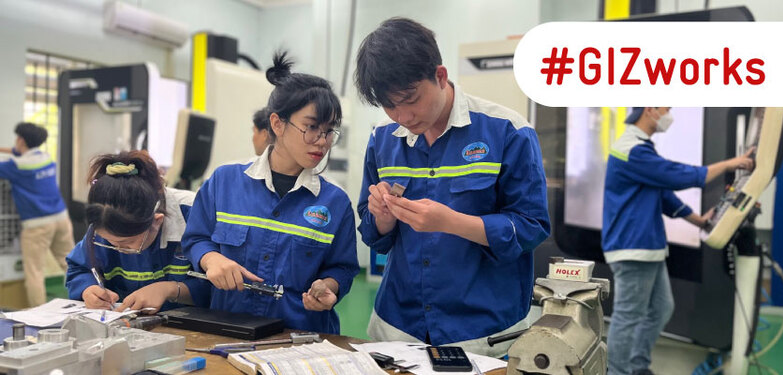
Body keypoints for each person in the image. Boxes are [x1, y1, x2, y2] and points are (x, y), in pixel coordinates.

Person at [354, 17, 551, 356]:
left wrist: (451, 223)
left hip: (480, 332)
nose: (402, 115)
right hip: (398, 326)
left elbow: (532, 226)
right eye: (389, 105)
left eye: (410, 98)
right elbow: (372, 232)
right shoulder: (382, 139)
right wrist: (382, 216)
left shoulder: (508, 131)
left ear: (440, 76)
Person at [182, 51, 359, 334]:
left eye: (329, 131)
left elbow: (344, 268)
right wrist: (211, 259)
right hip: (228, 329)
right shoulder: (224, 181)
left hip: (300, 337)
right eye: (312, 127)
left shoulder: (334, 202)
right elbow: (195, 239)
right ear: (277, 123)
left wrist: (328, 286)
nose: (322, 142)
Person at [603, 107, 755, 375]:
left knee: (661, 308)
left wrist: (699, 220)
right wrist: (731, 164)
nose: (668, 113)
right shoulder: (631, 149)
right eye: (665, 108)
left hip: (648, 247)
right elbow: (679, 176)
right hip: (633, 248)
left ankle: (637, 366)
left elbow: (662, 194)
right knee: (629, 317)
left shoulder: (641, 147)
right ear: (649, 110)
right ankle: (618, 371)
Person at [65, 151, 210, 312]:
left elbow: (218, 288)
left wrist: (170, 289)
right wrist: (87, 289)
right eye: (109, 242)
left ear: (157, 221)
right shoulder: (103, 222)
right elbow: (79, 268)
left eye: (126, 244)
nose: (118, 249)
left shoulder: (195, 215)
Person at [0, 123, 74, 306]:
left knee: (35, 272)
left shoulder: (15, 166)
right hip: (61, 218)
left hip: (37, 225)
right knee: (71, 264)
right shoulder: (46, 158)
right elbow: (20, 153)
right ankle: (87, 302)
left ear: (21, 140)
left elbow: (13, 160)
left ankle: (39, 317)